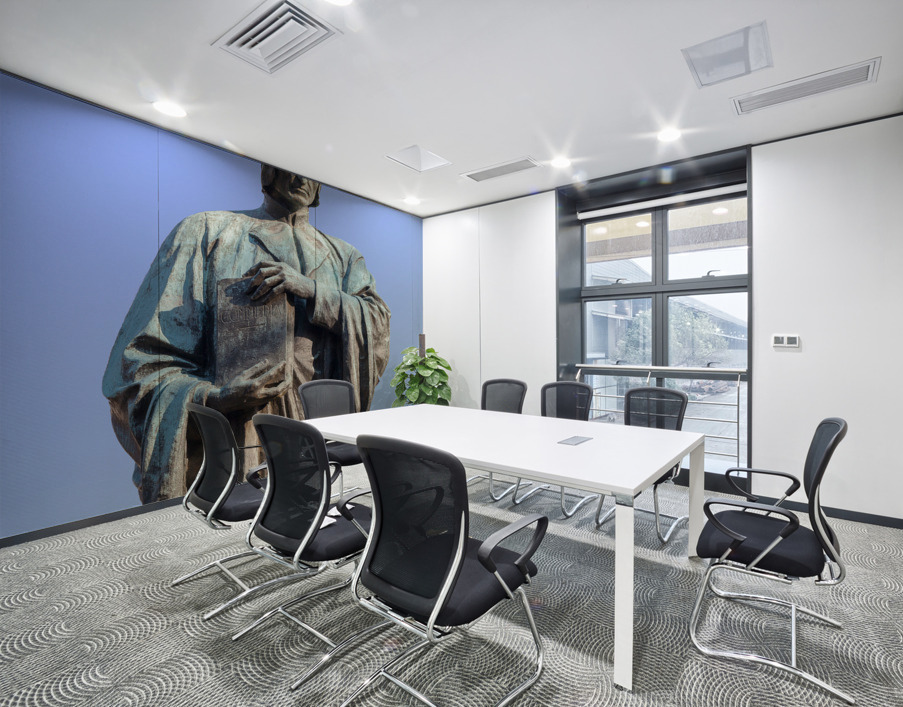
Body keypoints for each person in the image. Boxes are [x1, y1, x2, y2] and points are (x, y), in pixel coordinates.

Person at [102, 165, 391, 503]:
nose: (300, 179)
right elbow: (138, 365)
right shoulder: (207, 231)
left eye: (309, 171)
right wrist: (214, 397)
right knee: (240, 521)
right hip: (243, 422)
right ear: (266, 172)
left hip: (313, 421)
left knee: (309, 509)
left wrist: (313, 291)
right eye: (288, 167)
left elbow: (377, 324)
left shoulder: (344, 257)